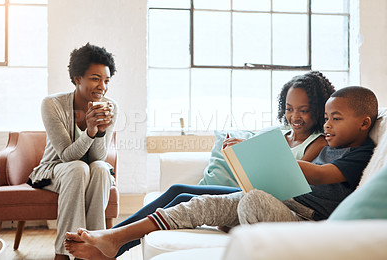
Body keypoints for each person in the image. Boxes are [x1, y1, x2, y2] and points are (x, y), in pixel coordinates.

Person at [65, 73, 345, 260]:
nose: (294, 116)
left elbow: (289, 186)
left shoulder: (318, 143)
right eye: (289, 108)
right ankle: (111, 240)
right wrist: (242, 152)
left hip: (268, 199)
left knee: (185, 196)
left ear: (319, 109)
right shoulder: (280, 135)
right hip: (248, 190)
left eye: (304, 110)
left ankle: (111, 245)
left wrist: (257, 159)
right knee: (180, 192)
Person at [27, 43, 118, 260]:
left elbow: (97, 158)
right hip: (55, 169)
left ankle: (95, 248)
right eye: (95, 78)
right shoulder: (52, 104)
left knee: (100, 169)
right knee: (78, 168)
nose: (102, 87)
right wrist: (89, 131)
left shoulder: (110, 107)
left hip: (86, 169)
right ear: (78, 78)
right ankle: (64, 252)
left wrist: (100, 132)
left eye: (106, 80)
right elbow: (67, 155)